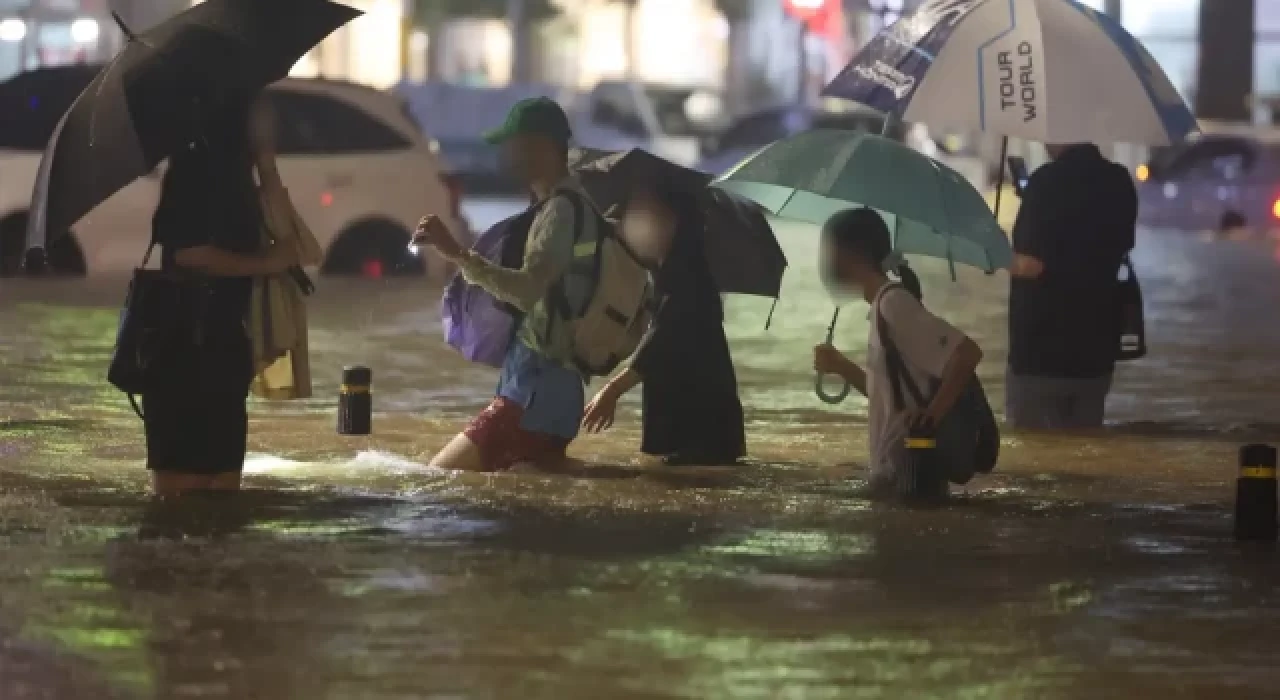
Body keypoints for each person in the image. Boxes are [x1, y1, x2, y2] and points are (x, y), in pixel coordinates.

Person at [415, 97, 598, 472]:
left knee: (438, 479)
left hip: (532, 395)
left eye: (513, 145)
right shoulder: (574, 205)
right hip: (552, 394)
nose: (505, 154)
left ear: (541, 147)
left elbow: (528, 290)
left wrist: (457, 254)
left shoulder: (560, 212)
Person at [141, 93, 297, 497]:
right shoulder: (195, 168)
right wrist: (266, 263)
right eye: (262, 112)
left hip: (224, 347)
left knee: (223, 493)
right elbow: (190, 254)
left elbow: (293, 244)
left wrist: (267, 164)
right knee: (179, 496)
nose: (273, 119)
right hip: (183, 349)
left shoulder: (243, 178)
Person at [810, 208, 983, 492]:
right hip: (895, 474)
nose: (826, 262)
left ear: (852, 254)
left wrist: (931, 418)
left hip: (911, 472)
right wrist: (841, 366)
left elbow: (966, 354)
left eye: (831, 250)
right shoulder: (880, 307)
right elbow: (890, 394)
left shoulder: (894, 304)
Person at [581, 186, 746, 466]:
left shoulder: (686, 278)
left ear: (671, 223)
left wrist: (611, 391)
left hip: (700, 437)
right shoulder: (673, 270)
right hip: (700, 432)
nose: (634, 224)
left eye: (642, 215)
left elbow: (660, 343)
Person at [1006, 143, 1138, 430]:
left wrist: (997, 255)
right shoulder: (1119, 181)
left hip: (1041, 348)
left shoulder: (1044, 182)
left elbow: (1031, 265)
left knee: (1036, 455)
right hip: (1097, 347)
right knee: (1085, 443)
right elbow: (1118, 246)